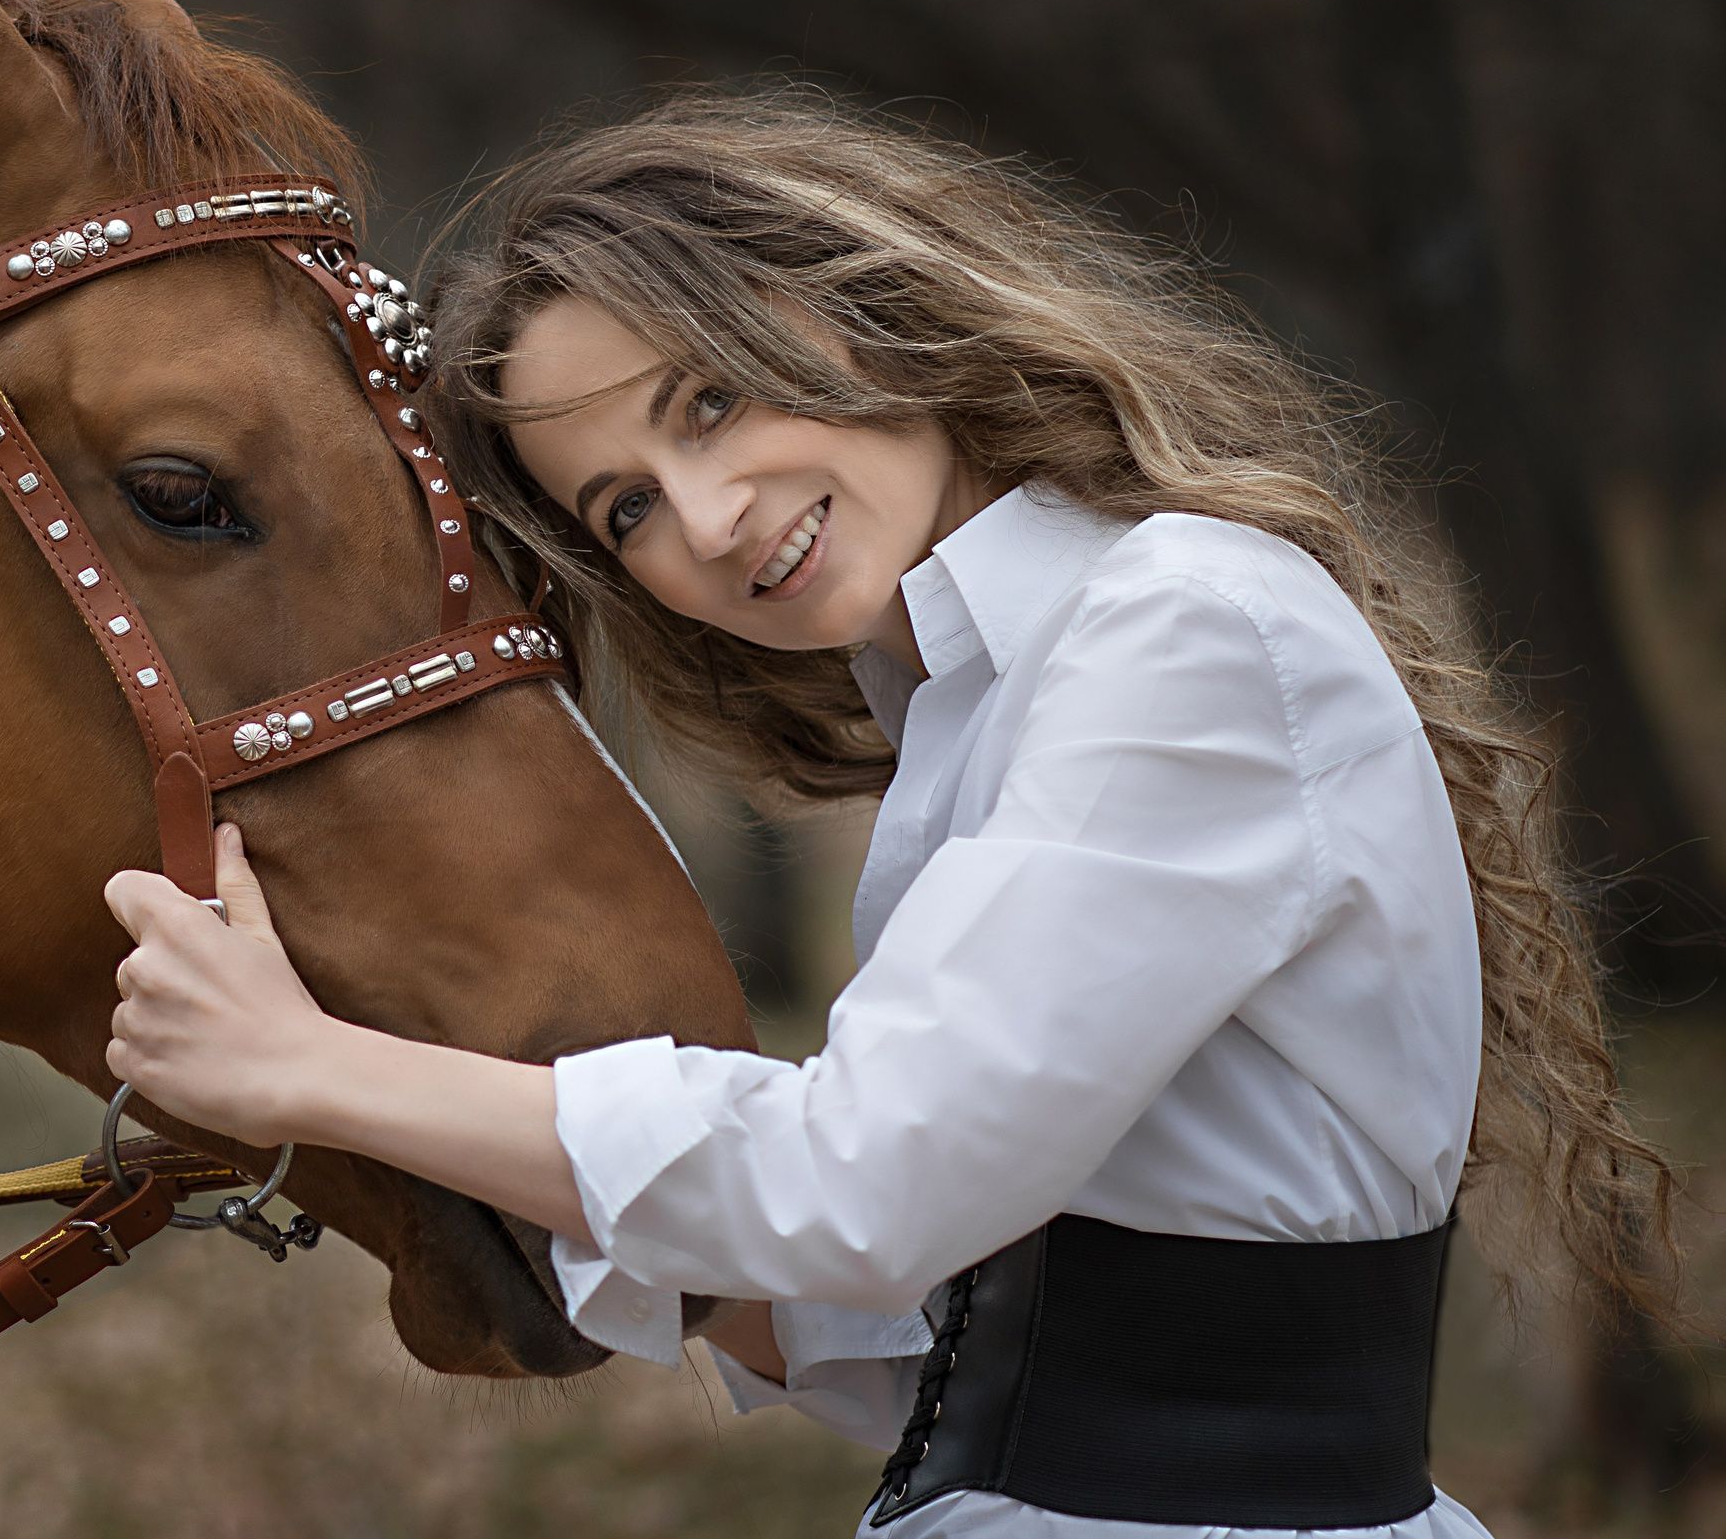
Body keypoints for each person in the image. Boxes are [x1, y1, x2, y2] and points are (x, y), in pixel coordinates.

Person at [97, 88, 1673, 1537]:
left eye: (706, 402)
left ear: (849, 300)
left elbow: (863, 1188)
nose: (703, 523)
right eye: (624, 507)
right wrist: (446, 1159)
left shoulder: (1184, 631)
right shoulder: (981, 704)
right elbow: (947, 1327)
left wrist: (316, 1067)